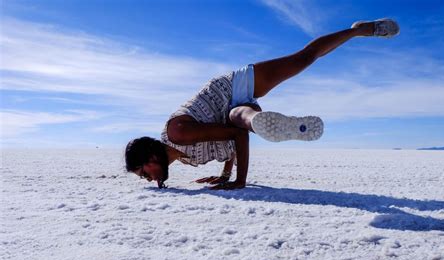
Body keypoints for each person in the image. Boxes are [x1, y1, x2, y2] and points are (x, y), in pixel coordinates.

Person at [125, 19, 400, 190]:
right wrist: (224, 173)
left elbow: (235, 137)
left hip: (230, 89)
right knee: (239, 118)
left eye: (142, 173)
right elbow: (228, 140)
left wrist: (239, 180)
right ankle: (262, 121)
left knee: (304, 58)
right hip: (232, 116)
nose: (146, 178)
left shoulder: (177, 134)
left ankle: (360, 30)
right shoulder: (186, 158)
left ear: (150, 158)